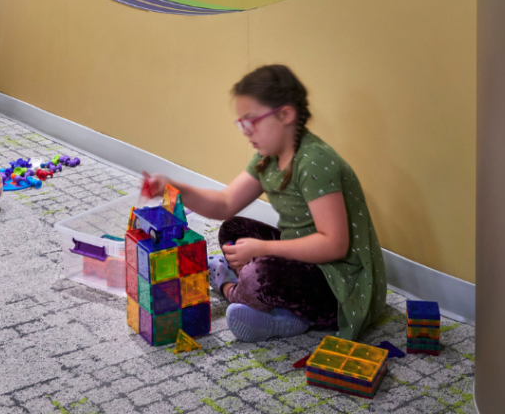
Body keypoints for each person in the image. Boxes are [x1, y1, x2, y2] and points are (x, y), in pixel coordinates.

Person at [144, 64, 386, 342]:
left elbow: (334, 245)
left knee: (260, 274)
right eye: (241, 123)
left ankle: (229, 287)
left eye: (252, 121)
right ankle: (282, 311)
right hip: (306, 261)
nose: (246, 131)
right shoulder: (268, 157)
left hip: (338, 288)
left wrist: (264, 249)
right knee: (232, 229)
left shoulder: (315, 162)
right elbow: (224, 203)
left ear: (285, 115)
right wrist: (174, 188)